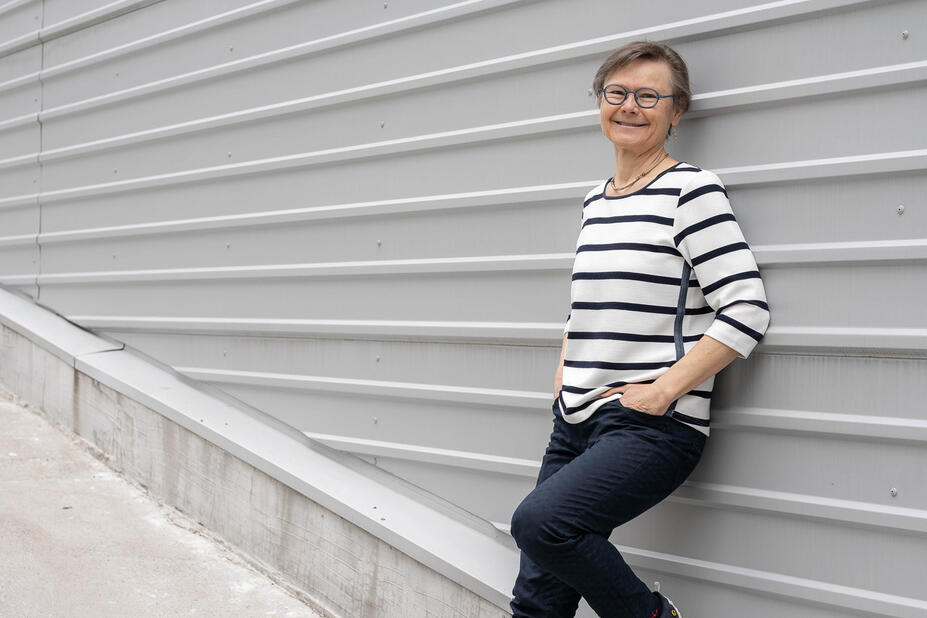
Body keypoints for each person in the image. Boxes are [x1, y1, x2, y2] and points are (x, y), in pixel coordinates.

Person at [509, 41, 770, 618]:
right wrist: (563, 373)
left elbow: (747, 308)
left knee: (541, 524)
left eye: (649, 96)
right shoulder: (594, 201)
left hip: (652, 426)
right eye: (617, 92)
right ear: (600, 102)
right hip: (574, 418)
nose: (629, 106)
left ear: (677, 112)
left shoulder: (692, 191)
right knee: (537, 599)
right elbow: (587, 305)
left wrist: (663, 391)